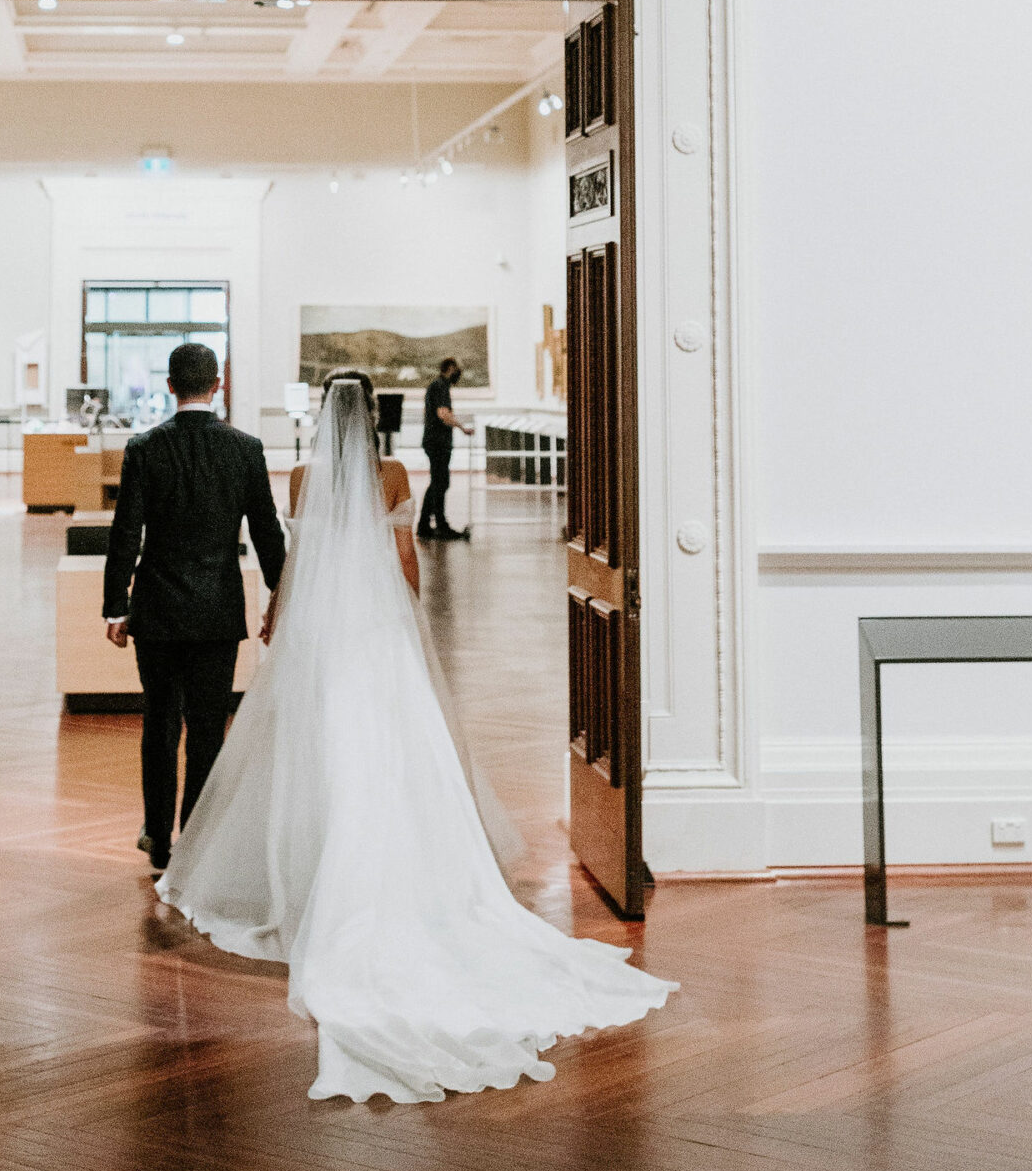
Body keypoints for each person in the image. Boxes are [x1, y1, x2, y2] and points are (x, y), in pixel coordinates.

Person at [157, 372, 674, 1103]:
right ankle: (408, 868)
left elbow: (298, 560)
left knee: (321, 752)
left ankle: (316, 870)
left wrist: (280, 615)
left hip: (321, 639)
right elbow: (403, 565)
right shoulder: (393, 472)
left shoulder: (303, 475)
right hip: (377, 638)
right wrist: (406, 625)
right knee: (395, 753)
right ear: (370, 418)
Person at [103, 341, 286, 875]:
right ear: (218, 384)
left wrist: (116, 605)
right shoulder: (246, 449)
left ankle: (157, 837)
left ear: (170, 385)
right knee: (207, 727)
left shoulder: (145, 447)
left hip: (157, 609)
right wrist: (282, 596)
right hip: (217, 610)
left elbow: (125, 535)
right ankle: (198, 837)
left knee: (159, 722)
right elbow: (267, 533)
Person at [418, 355, 473, 541]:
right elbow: (443, 414)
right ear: (450, 368)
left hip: (434, 441)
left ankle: (425, 525)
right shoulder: (441, 386)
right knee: (440, 483)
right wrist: (462, 427)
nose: (458, 373)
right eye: (457, 368)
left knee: (438, 482)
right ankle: (439, 525)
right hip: (438, 442)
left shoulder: (437, 386)